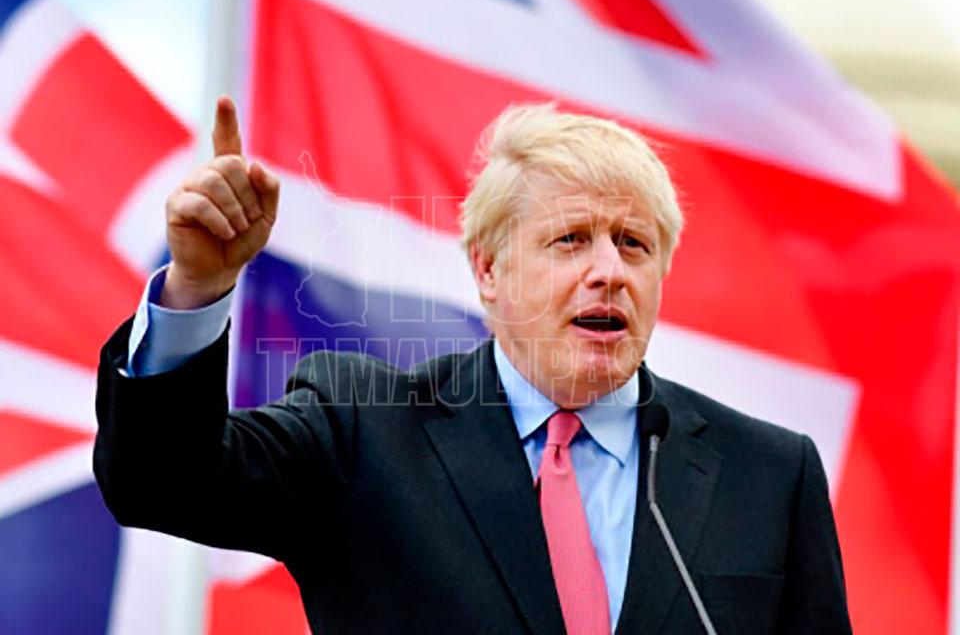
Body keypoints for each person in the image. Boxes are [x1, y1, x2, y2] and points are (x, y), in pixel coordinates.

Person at [94, 96, 853, 634]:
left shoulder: (768, 474)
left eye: (633, 244)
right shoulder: (364, 430)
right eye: (570, 240)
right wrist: (197, 287)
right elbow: (159, 482)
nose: (609, 272)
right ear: (488, 270)